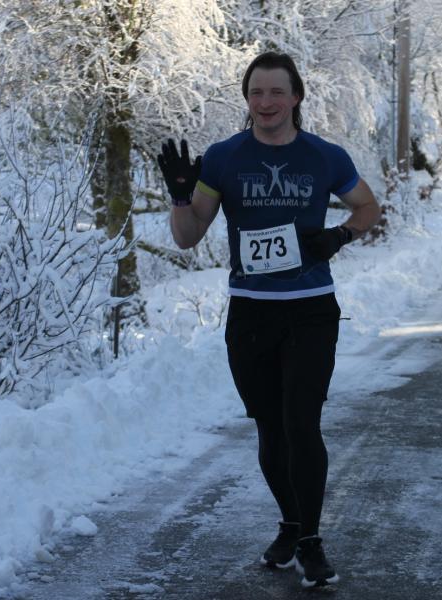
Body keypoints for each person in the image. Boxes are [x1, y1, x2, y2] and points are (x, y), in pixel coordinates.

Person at [156, 51, 381, 589]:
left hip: (309, 310)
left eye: (277, 92)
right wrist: (183, 195)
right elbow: (188, 236)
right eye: (257, 93)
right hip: (251, 312)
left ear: (296, 97)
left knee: (301, 423)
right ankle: (290, 521)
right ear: (247, 99)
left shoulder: (324, 156)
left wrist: (338, 236)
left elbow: (368, 208)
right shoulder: (224, 157)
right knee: (270, 428)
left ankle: (310, 541)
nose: (266, 103)